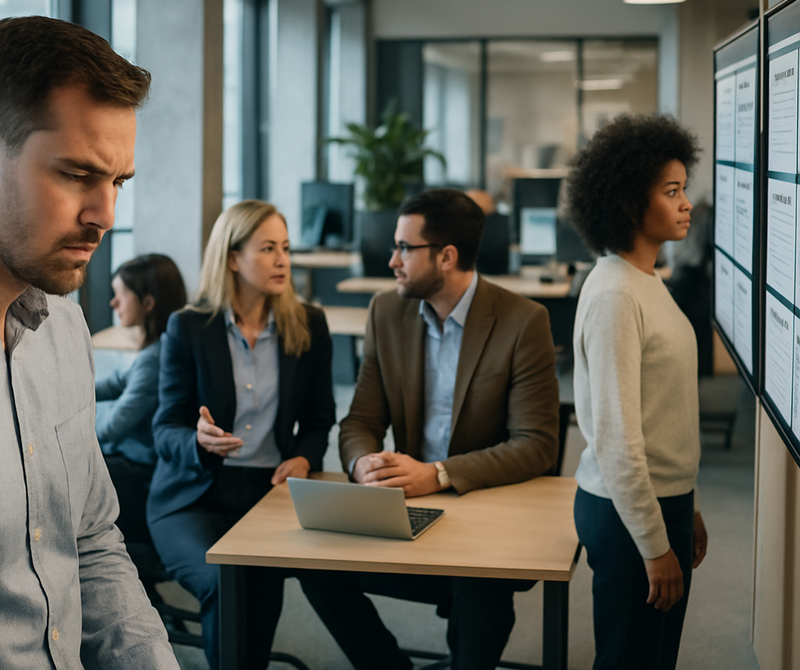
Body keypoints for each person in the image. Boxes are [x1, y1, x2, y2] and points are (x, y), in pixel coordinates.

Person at [302, 188, 560, 670]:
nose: (392, 260)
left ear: (447, 257)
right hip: (407, 508)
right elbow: (361, 420)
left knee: (482, 594)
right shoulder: (386, 312)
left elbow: (537, 445)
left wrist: (439, 473)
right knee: (315, 565)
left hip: (484, 514)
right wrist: (363, 464)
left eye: (404, 248)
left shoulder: (523, 321)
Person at [0, 15, 178, 668]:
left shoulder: (66, 327)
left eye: (118, 182)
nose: (105, 215)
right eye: (77, 174)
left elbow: (91, 539)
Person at [146, 199, 336, 670]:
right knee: (223, 581)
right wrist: (197, 440)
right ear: (233, 258)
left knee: (262, 596)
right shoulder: (189, 327)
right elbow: (165, 429)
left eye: (286, 248)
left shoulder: (308, 324)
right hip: (192, 495)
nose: (282, 260)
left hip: (268, 493)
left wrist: (305, 459)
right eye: (268, 249)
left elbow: (320, 417)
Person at [565, 113, 709, 670]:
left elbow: (662, 413)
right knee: (629, 659)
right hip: (626, 515)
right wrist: (654, 542)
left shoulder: (645, 279)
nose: (686, 204)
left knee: (653, 657)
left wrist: (686, 503)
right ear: (628, 203)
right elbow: (617, 439)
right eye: (671, 192)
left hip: (659, 501)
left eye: (684, 189)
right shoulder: (615, 295)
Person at [95, 253, 187, 543]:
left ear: (148, 303)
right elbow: (116, 383)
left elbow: (112, 428)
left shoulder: (154, 359)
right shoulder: (160, 348)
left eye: (120, 295)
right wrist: (64, 391)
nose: (113, 303)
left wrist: (64, 428)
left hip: (140, 469)